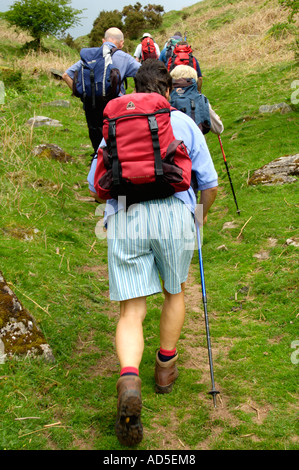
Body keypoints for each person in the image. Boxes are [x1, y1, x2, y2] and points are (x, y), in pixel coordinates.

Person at [87, 60, 218, 447]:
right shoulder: (182, 121)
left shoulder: (115, 123)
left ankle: (129, 376)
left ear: (134, 87)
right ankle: (164, 367)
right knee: (174, 291)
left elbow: (97, 184)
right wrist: (198, 218)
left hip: (126, 211)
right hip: (175, 213)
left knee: (131, 308)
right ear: (166, 89)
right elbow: (208, 184)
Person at [62, 28, 141, 154]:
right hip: (116, 107)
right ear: (121, 43)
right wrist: (132, 96)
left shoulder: (89, 56)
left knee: (97, 143)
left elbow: (66, 75)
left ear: (103, 41)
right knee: (116, 142)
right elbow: (145, 74)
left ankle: (97, 164)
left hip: (91, 106)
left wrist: (82, 95)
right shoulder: (124, 57)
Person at [170, 64, 224, 135]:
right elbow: (218, 129)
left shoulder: (164, 99)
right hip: (195, 144)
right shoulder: (200, 100)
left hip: (170, 144)